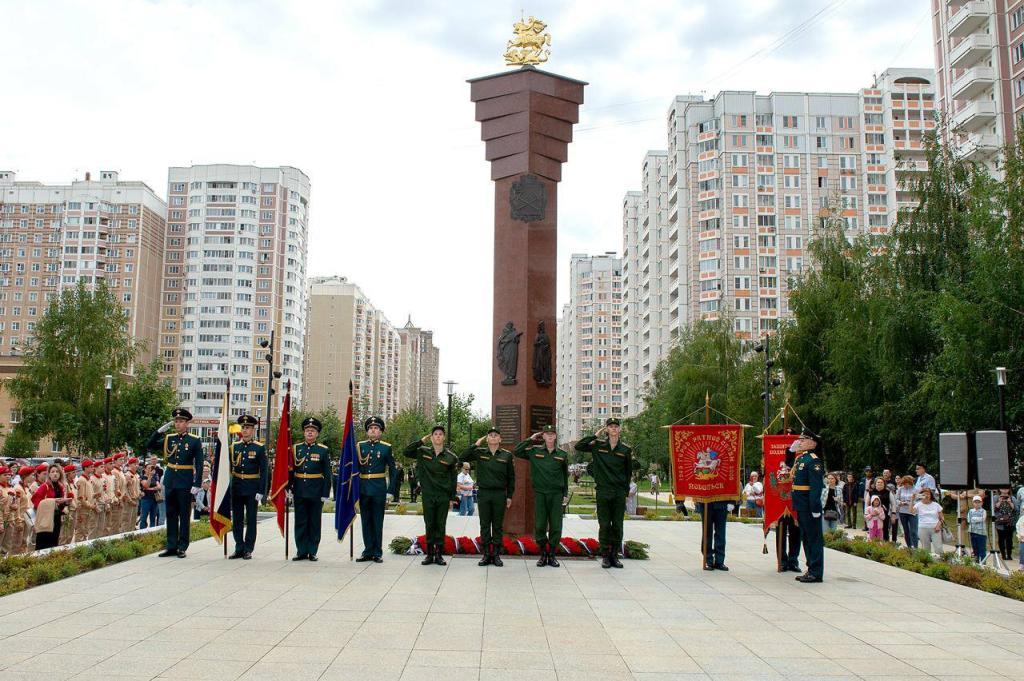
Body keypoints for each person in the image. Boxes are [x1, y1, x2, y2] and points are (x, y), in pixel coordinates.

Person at [575, 417, 633, 569]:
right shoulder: (597, 446)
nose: (613, 429)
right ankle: (605, 556)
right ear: (606, 429)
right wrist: (595, 435)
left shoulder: (625, 449)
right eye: (611, 426)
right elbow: (579, 446)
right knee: (605, 524)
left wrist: (625, 492)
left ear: (619, 429)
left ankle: (615, 555)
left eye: (616, 426)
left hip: (619, 492)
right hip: (603, 491)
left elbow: (628, 473)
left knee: (618, 525)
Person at [146, 408, 204, 557]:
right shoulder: (169, 438)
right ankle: (171, 545)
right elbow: (150, 445)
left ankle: (182, 546)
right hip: (171, 480)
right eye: (176, 421)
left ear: (187, 424)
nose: (178, 424)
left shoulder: (194, 440)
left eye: (181, 422)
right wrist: (159, 431)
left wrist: (197, 484)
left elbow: (199, 463)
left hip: (185, 481)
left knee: (184, 515)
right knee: (171, 514)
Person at [514, 424, 570, 568]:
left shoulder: (562, 454)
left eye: (552, 434)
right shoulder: (534, 451)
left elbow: (565, 475)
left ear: (555, 436)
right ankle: (543, 552)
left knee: (556, 525)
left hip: (556, 494)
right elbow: (517, 451)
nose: (550, 436)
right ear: (543, 436)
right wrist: (530, 439)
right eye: (547, 434)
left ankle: (551, 554)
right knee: (539, 525)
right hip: (540, 493)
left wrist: (565, 493)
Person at [459, 426, 515, 566]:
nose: (493, 437)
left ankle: (496, 555)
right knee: (484, 524)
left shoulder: (506, 455)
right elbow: (462, 457)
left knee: (497, 526)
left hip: (499, 494)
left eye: (496, 435)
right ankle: (486, 554)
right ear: (487, 439)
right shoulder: (479, 453)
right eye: (490, 435)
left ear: (500, 439)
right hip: (484, 493)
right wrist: (476, 444)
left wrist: (509, 496)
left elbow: (511, 477)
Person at [403, 425, 459, 566]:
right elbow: (406, 452)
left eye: (440, 434)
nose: (438, 436)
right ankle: (429, 554)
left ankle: (439, 555)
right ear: (431, 437)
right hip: (428, 494)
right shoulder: (422, 452)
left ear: (444, 437)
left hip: (443, 496)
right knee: (429, 524)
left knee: (440, 524)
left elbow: (453, 479)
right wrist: (421, 441)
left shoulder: (451, 457)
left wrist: (452, 497)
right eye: (435, 434)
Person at [289, 417, 334, 561]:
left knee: (314, 522)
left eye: (312, 431)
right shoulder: (296, 448)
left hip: (316, 490)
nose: (309, 433)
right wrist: (288, 487)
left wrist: (325, 492)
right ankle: (301, 550)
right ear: (303, 432)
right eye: (307, 430)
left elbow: (327, 473)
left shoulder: (323, 450)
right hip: (299, 490)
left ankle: (312, 550)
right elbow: (290, 470)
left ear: (317, 434)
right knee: (300, 521)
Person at [355, 416, 397, 564]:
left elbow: (392, 470)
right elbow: (354, 469)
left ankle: (377, 552)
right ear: (367, 431)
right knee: (365, 521)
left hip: (379, 488)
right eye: (370, 428)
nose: (373, 430)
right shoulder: (360, 446)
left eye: (376, 428)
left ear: (380, 432)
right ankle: (367, 551)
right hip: (363, 488)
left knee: (377, 521)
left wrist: (391, 491)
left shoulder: (386, 447)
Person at [226, 414, 267, 560]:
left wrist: (262, 491)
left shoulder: (259, 448)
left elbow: (264, 471)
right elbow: (228, 468)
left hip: (252, 488)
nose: (245, 430)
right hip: (237, 487)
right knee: (237, 519)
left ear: (253, 429)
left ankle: (248, 548)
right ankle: (239, 547)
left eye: (248, 428)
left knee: (250, 519)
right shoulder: (234, 447)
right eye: (243, 427)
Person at [790, 428, 825, 583]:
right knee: (806, 538)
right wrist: (790, 451)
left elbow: (815, 487)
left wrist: (816, 508)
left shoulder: (814, 460)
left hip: (809, 505)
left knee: (813, 539)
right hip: (801, 504)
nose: (801, 442)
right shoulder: (802, 458)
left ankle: (816, 571)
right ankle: (810, 568)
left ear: (813, 442)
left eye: (804, 440)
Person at [31, 464, 72, 550]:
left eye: (57, 472)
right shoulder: (44, 486)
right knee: (43, 544)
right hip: (46, 519)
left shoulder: (60, 487)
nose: (55, 474)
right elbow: (36, 502)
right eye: (52, 472)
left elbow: (59, 505)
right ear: (48, 474)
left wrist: (65, 503)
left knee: (53, 542)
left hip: (56, 518)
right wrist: (53, 501)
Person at [914, 487, 944, 556]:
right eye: (924, 494)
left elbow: (942, 517)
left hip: (935, 528)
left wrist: (938, 526)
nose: (926, 496)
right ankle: (928, 561)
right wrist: (912, 499)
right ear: (921, 495)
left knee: (938, 547)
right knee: (925, 548)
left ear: (931, 495)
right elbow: (911, 511)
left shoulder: (936, 505)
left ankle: (941, 561)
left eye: (928, 494)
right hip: (923, 527)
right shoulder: (918, 504)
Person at [895, 475, 919, 549]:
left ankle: (915, 547)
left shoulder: (915, 489)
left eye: (907, 483)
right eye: (904, 483)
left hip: (912, 512)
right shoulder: (900, 489)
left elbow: (918, 501)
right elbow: (896, 499)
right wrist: (900, 503)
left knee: (913, 531)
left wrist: (910, 502)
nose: (905, 485)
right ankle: (909, 546)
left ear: (910, 482)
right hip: (902, 512)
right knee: (906, 531)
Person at [871, 477, 896, 544]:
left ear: (884, 484)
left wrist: (893, 514)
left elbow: (893, 504)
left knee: (884, 530)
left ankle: (885, 545)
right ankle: (874, 545)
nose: (880, 483)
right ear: (875, 483)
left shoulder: (888, 492)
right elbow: (867, 503)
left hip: (884, 515)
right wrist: (866, 514)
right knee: (874, 530)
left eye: (881, 482)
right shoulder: (871, 492)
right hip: (873, 516)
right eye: (878, 482)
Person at [993, 489, 1016, 561]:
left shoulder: (1012, 498)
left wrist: (1010, 503)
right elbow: (993, 509)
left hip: (1010, 521)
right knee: (1001, 538)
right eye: (1003, 488)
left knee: (1009, 539)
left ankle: (1009, 554)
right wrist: (999, 502)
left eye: (1006, 488)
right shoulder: (996, 497)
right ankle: (1003, 554)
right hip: (1000, 522)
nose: (1005, 489)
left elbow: (1016, 509)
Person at [138, 462, 160, 530]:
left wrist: (150, 489)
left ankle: (152, 531)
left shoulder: (154, 477)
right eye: (148, 468)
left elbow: (159, 487)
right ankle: (142, 532)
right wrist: (149, 477)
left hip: (154, 499)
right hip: (146, 499)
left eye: (151, 468)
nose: (150, 469)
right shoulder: (142, 477)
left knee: (153, 518)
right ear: (145, 469)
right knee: (144, 518)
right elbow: (146, 485)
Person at [966, 495, 987, 562]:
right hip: (972, 532)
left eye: (979, 502)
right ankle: (976, 561)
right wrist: (977, 519)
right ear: (973, 503)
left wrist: (974, 519)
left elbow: (983, 519)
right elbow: (969, 520)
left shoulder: (983, 511)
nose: (977, 504)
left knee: (982, 548)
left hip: (981, 533)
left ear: (981, 503)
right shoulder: (970, 511)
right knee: (975, 548)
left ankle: (983, 562)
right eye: (975, 502)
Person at [856, 467, 872, 531]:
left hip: (871, 498)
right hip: (864, 497)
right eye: (867, 471)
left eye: (870, 471)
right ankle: (866, 526)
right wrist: (861, 497)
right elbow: (860, 488)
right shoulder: (862, 480)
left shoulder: (874, 479)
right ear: (865, 472)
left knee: (871, 512)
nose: (868, 473)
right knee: (865, 512)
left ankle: (870, 526)